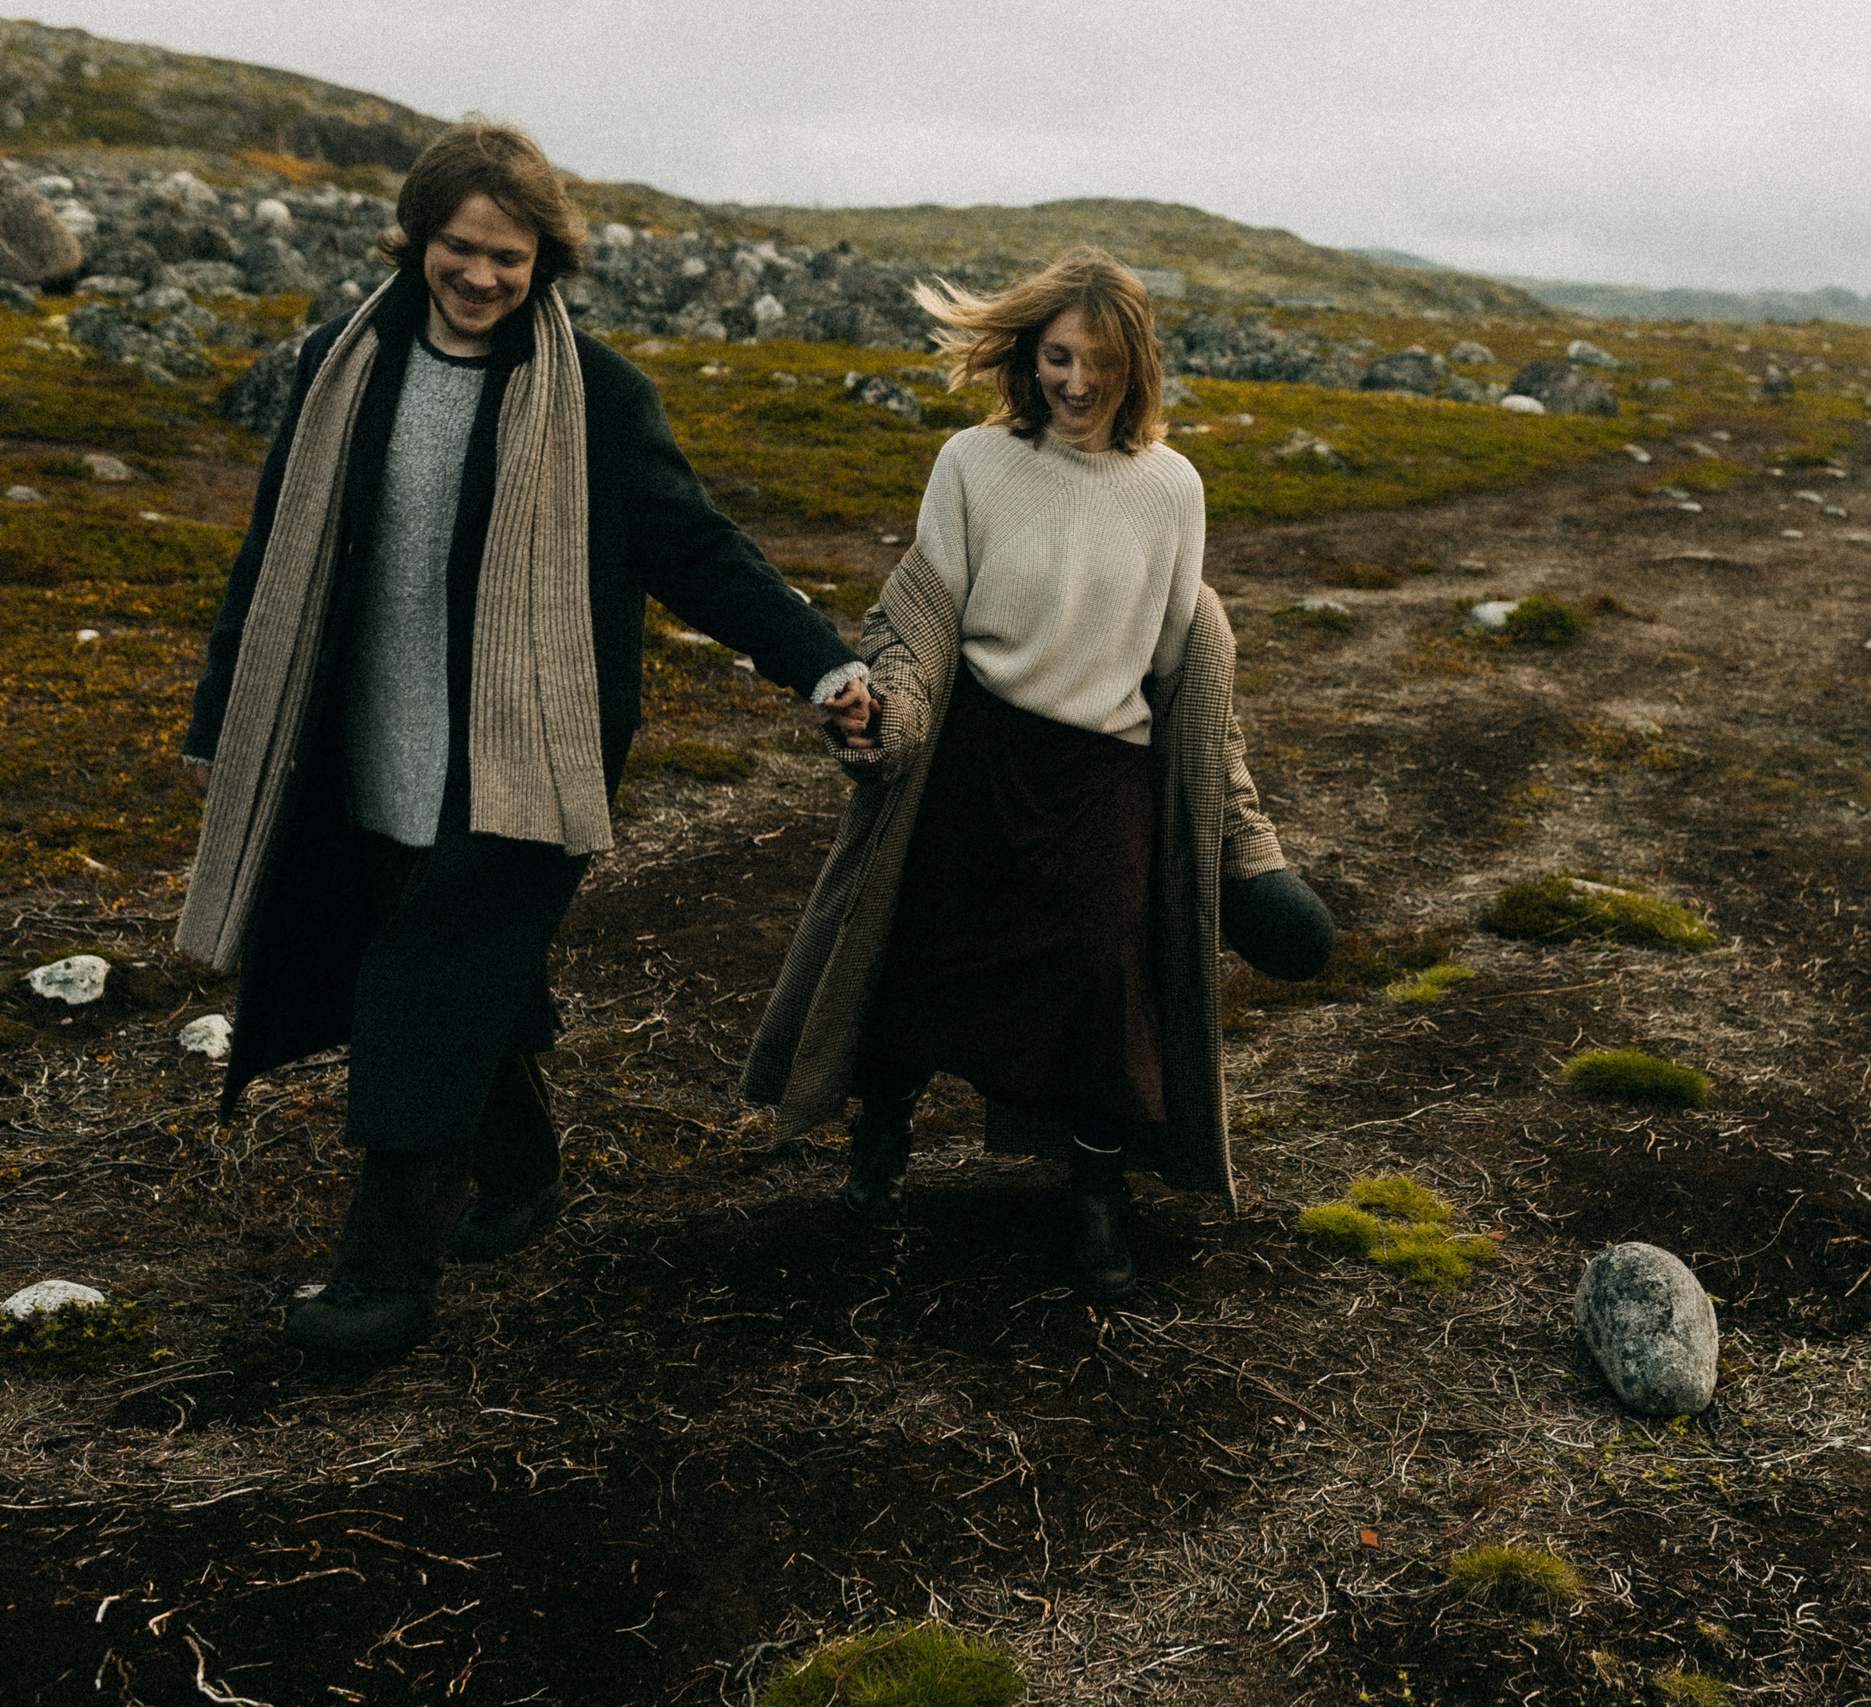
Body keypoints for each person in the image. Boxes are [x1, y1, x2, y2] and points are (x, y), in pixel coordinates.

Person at [178, 120, 871, 1358]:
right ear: (418, 238)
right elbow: (276, 543)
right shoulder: (346, 362)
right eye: (461, 247)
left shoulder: (596, 395)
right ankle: (525, 1176)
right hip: (366, 745)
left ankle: (384, 1273)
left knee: (419, 986)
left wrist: (818, 662)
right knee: (441, 970)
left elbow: (696, 552)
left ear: (547, 257)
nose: (483, 277)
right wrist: (229, 709)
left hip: (524, 754)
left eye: (512, 256)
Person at [743, 248, 1333, 1299]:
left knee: (1106, 977)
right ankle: (881, 1138)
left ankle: (1097, 1197)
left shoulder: (1171, 489)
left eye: (1098, 361)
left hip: (1103, 766)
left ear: (1135, 365)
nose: (1075, 381)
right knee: (920, 954)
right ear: (1029, 355)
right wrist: (895, 716)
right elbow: (921, 623)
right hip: (974, 756)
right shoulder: (972, 463)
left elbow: (1168, 655)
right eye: (1058, 357)